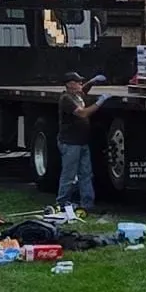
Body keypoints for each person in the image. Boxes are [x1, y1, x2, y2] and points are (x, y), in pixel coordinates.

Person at [57, 72, 105, 211]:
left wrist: (93, 81)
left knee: (86, 174)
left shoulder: (77, 95)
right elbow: (82, 113)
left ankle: (87, 204)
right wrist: (99, 102)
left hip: (82, 142)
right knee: (69, 174)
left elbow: (84, 89)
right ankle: (62, 203)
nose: (80, 84)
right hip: (70, 143)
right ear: (69, 84)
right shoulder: (66, 99)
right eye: (78, 82)